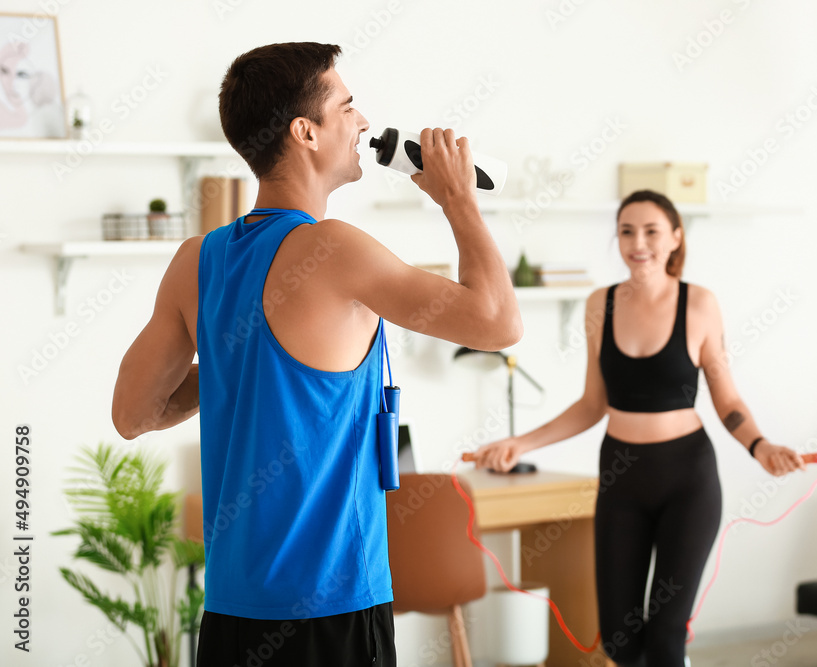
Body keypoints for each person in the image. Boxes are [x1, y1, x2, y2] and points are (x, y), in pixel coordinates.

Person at [111, 42, 522, 667]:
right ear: (305, 131)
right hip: (333, 610)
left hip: (231, 614)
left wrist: (236, 361)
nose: (362, 122)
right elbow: (498, 321)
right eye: (348, 106)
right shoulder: (335, 249)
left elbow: (134, 413)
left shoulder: (197, 260)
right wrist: (458, 200)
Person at [470, 189, 806, 667]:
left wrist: (760, 445)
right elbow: (592, 404)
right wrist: (520, 442)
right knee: (620, 640)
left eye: (651, 230)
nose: (638, 242)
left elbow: (726, 398)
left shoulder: (699, 304)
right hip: (622, 477)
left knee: (667, 635)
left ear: (675, 238)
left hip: (687, 478)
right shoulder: (598, 306)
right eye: (627, 231)